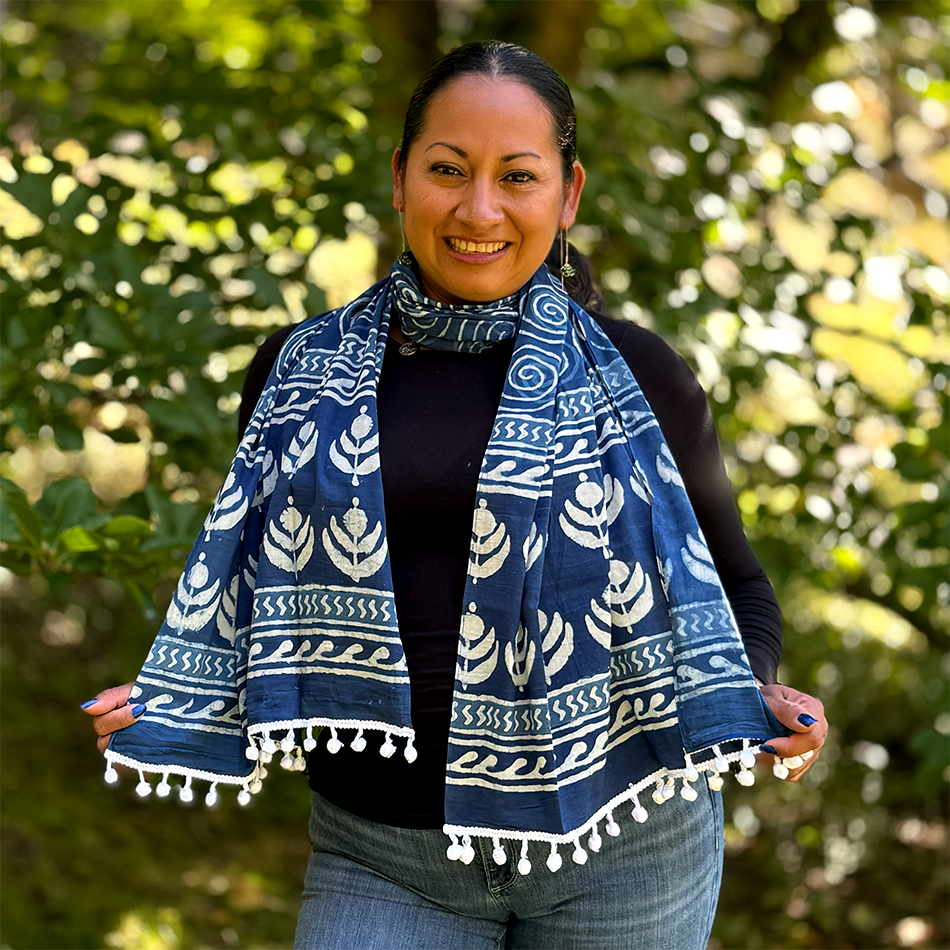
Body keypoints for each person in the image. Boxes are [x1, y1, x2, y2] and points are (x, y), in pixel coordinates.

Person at [83, 40, 827, 950]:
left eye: (518, 176)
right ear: (400, 178)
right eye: (447, 169)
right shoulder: (298, 373)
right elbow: (250, 594)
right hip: (381, 854)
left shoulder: (640, 378)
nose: (479, 209)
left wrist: (758, 692)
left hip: (629, 846)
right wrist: (175, 696)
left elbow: (738, 583)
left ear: (568, 195)